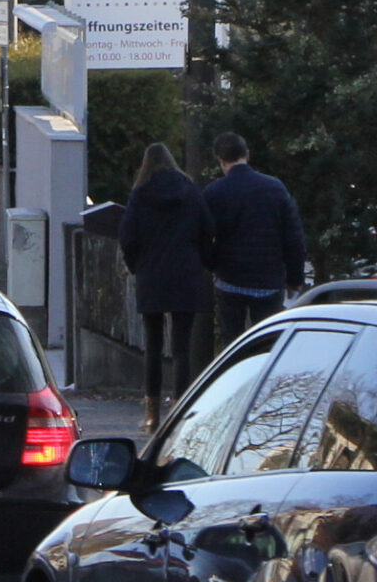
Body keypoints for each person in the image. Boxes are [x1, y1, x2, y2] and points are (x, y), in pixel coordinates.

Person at [119, 142, 214, 430]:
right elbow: (207, 228)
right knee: (182, 347)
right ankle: (180, 410)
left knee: (153, 346)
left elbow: (128, 237)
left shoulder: (140, 194)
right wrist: (200, 260)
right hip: (186, 274)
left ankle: (152, 413)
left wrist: (137, 266)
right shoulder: (190, 191)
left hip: (152, 275)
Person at [200, 131, 307, 348]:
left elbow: (201, 237)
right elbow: (293, 237)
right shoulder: (275, 188)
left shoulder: (214, 193)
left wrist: (213, 264)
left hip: (229, 279)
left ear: (221, 160)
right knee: (267, 343)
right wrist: (294, 279)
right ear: (247, 154)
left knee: (231, 342)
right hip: (268, 280)